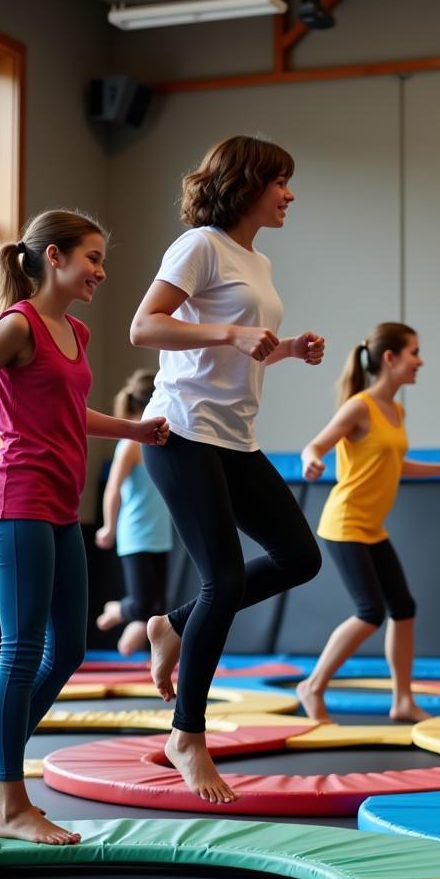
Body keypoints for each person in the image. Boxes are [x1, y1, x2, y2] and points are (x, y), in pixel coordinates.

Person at [0, 210, 169, 845]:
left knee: (71, 650)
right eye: (92, 258)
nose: (101, 272)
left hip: (59, 507)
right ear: (53, 256)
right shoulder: (17, 325)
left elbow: (72, 412)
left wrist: (134, 429)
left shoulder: (75, 332)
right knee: (23, 649)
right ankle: (11, 803)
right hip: (18, 500)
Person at [129, 135, 325, 804]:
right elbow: (144, 328)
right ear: (247, 183)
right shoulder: (200, 246)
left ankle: (172, 624)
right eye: (281, 183)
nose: (289, 195)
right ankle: (187, 733)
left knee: (300, 557)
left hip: (234, 437)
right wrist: (230, 334)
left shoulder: (258, 260)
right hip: (179, 430)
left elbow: (239, 349)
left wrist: (287, 349)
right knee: (225, 575)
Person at [296, 323, 440, 724]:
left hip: (372, 527)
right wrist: (310, 460)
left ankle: (403, 700)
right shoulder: (360, 406)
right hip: (344, 524)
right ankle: (313, 686)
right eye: (414, 352)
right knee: (370, 612)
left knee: (403, 608)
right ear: (389, 358)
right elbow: (316, 444)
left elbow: (393, 463)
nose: (420, 361)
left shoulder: (397, 410)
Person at [95, 370, 174, 657]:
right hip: (136, 533)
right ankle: (116, 609)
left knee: (158, 607)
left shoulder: (164, 441)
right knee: (141, 604)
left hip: (160, 534)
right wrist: (108, 527)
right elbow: (112, 489)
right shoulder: (130, 445)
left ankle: (132, 648)